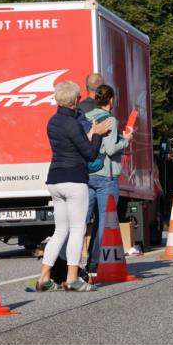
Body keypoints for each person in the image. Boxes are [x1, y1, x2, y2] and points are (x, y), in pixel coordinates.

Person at [36, 81, 112, 292]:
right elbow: (89, 154)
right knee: (78, 229)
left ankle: (44, 278)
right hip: (74, 179)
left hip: (55, 179)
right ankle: (72, 278)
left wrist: (90, 135)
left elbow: (72, 145)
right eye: (78, 98)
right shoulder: (73, 123)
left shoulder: (53, 122)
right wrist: (96, 134)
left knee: (60, 230)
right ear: (74, 100)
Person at [84, 84, 133, 275]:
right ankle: (95, 264)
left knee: (83, 221)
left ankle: (67, 263)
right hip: (106, 176)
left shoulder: (87, 117)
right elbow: (111, 149)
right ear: (111, 100)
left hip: (88, 175)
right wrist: (126, 139)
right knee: (105, 222)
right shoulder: (110, 120)